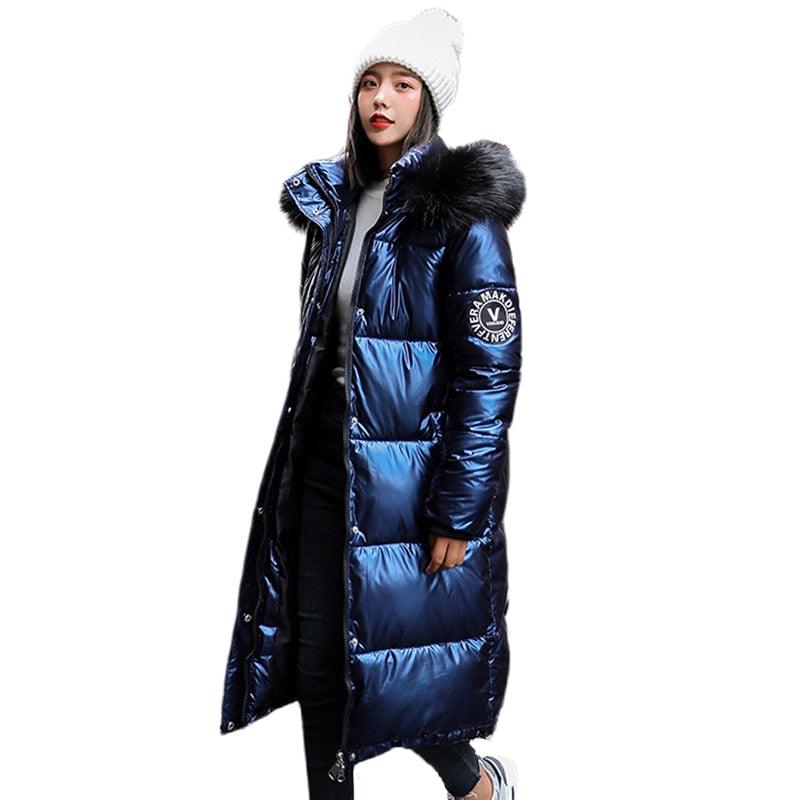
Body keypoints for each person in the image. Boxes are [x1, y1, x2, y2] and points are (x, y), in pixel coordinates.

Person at [220, 9, 525, 800]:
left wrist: (459, 507)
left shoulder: (465, 217)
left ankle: (476, 784)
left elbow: (489, 373)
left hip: (411, 485)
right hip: (321, 465)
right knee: (322, 660)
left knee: (398, 667)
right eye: (369, 82)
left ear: (431, 99)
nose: (380, 99)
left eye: (402, 84)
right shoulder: (335, 203)